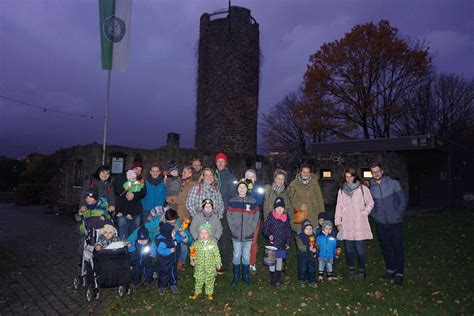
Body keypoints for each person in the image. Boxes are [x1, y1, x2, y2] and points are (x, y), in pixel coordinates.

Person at [369, 162, 407, 286]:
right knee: (385, 248)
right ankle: (391, 269)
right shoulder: (371, 188)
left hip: (395, 222)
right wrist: (375, 216)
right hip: (380, 223)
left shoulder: (393, 184)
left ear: (382, 171)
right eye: (373, 172)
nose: (376, 173)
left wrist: (398, 214)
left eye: (378, 171)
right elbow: (370, 205)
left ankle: (399, 274)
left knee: (397, 248)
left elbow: (403, 200)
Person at [335, 167, 374, 280]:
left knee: (360, 249)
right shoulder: (342, 190)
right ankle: (351, 270)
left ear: (355, 176)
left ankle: (361, 270)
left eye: (351, 176)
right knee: (348, 249)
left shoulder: (363, 189)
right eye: (346, 177)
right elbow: (339, 207)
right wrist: (338, 222)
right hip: (347, 223)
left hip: (359, 223)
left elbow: (370, 202)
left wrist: (365, 212)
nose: (349, 179)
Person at [227, 180, 259, 286]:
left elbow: (256, 216)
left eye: (244, 187)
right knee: (236, 254)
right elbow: (229, 216)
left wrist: (251, 228)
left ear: (247, 189)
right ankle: (236, 276)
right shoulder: (232, 201)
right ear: (237, 189)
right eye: (240, 187)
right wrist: (233, 229)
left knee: (246, 255)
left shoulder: (253, 202)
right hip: (236, 234)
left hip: (248, 234)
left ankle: (245, 276)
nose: (242, 189)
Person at [170, 165, 196, 270]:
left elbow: (184, 200)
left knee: (184, 239)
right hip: (178, 215)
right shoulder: (183, 184)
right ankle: (179, 260)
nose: (182, 174)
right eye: (183, 172)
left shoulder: (192, 185)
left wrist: (171, 198)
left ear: (190, 173)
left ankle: (182, 262)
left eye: (185, 172)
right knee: (178, 237)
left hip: (184, 216)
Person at [215, 152, 237, 273]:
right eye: (218, 161)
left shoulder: (231, 178)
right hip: (213, 211)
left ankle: (224, 263)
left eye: (222, 161)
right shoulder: (213, 176)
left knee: (224, 238)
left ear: (226, 163)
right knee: (214, 236)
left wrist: (225, 207)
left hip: (225, 211)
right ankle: (214, 260)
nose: (220, 163)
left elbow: (233, 196)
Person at [113, 161, 147, 240]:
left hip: (135, 211)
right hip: (122, 209)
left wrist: (134, 195)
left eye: (140, 170)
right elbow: (116, 188)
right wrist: (127, 193)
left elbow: (143, 193)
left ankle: (132, 249)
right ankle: (122, 248)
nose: (137, 172)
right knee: (122, 232)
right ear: (132, 168)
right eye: (136, 169)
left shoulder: (140, 180)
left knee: (134, 233)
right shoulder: (121, 177)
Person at [262, 197, 292, 286]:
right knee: (272, 261)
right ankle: (272, 278)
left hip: (282, 244)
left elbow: (288, 231)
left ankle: (278, 277)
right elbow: (265, 229)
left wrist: (288, 242)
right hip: (272, 244)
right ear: (274, 208)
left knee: (279, 260)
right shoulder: (271, 217)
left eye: (281, 208)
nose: (279, 209)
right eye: (277, 208)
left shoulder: (286, 218)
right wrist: (269, 235)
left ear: (284, 209)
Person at [288, 164, 325, 233]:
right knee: (301, 240)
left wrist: (321, 215)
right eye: (304, 172)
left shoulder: (314, 183)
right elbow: (289, 199)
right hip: (300, 216)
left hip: (313, 216)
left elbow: (319, 199)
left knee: (312, 240)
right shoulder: (293, 184)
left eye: (308, 172)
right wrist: (298, 205)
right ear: (300, 172)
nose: (306, 174)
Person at [189, 223, 222, 301]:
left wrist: (218, 263)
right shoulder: (196, 244)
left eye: (205, 233)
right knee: (198, 280)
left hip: (210, 267)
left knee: (209, 280)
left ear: (209, 234)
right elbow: (192, 254)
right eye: (201, 233)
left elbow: (217, 254)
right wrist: (192, 260)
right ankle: (197, 292)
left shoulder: (213, 244)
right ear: (199, 234)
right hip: (199, 266)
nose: (203, 235)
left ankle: (209, 293)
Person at [155, 221, 186, 295]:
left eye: (175, 233)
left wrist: (183, 237)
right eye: (173, 233)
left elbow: (179, 238)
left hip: (173, 260)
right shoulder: (163, 241)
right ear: (167, 233)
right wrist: (169, 250)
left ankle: (173, 284)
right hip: (165, 261)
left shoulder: (173, 237)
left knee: (173, 271)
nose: (175, 235)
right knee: (164, 273)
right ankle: (162, 286)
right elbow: (160, 251)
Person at [244, 169, 264, 274]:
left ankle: (252, 262)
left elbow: (259, 200)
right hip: (243, 218)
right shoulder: (241, 187)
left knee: (253, 241)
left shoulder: (258, 188)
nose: (250, 178)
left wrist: (251, 193)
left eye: (252, 176)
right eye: (248, 176)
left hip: (255, 218)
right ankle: (244, 261)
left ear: (255, 178)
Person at [295, 220, 317, 287]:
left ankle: (312, 281)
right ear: (303, 229)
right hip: (303, 256)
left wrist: (315, 249)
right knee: (302, 269)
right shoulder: (299, 237)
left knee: (311, 269)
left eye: (310, 229)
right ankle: (302, 280)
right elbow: (300, 247)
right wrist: (308, 248)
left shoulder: (313, 236)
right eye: (307, 229)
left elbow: (316, 244)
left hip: (311, 256)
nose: (309, 230)